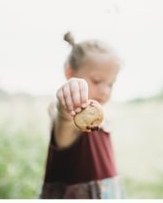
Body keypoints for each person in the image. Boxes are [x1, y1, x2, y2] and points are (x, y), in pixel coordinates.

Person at [41, 32, 123, 198]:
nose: (105, 90)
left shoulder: (98, 119)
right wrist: (65, 108)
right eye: (97, 81)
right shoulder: (71, 116)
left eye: (111, 84)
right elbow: (64, 124)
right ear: (70, 73)